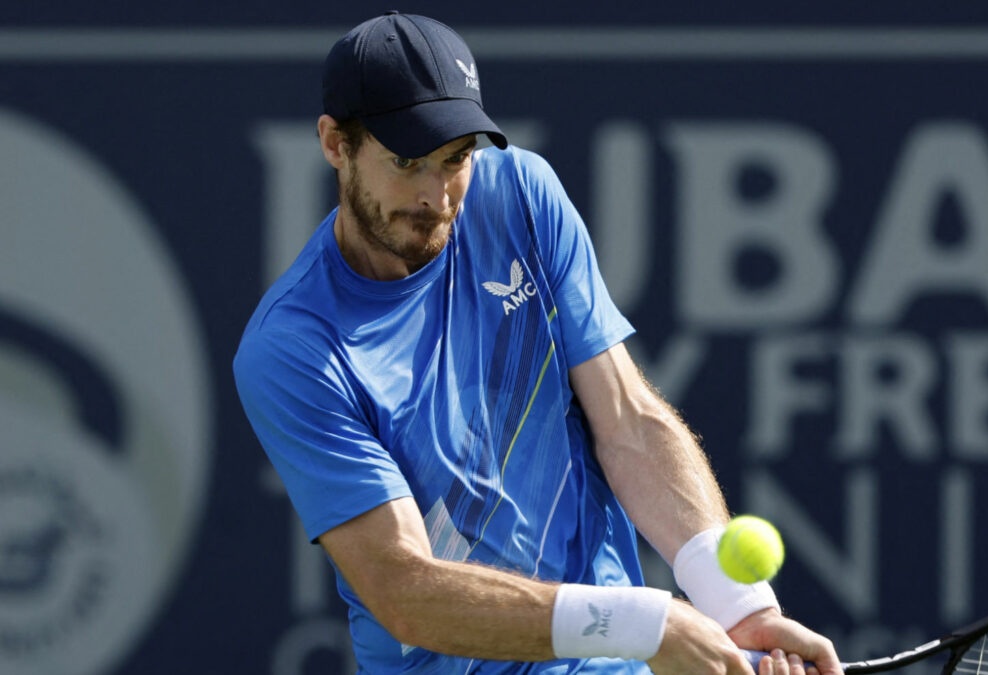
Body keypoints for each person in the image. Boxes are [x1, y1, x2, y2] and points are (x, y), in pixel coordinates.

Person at [233, 11, 841, 675]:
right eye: (406, 162)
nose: (436, 195)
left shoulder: (519, 193)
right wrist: (644, 622)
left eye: (455, 158)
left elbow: (627, 419)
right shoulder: (295, 349)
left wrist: (740, 604)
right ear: (334, 144)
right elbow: (406, 591)